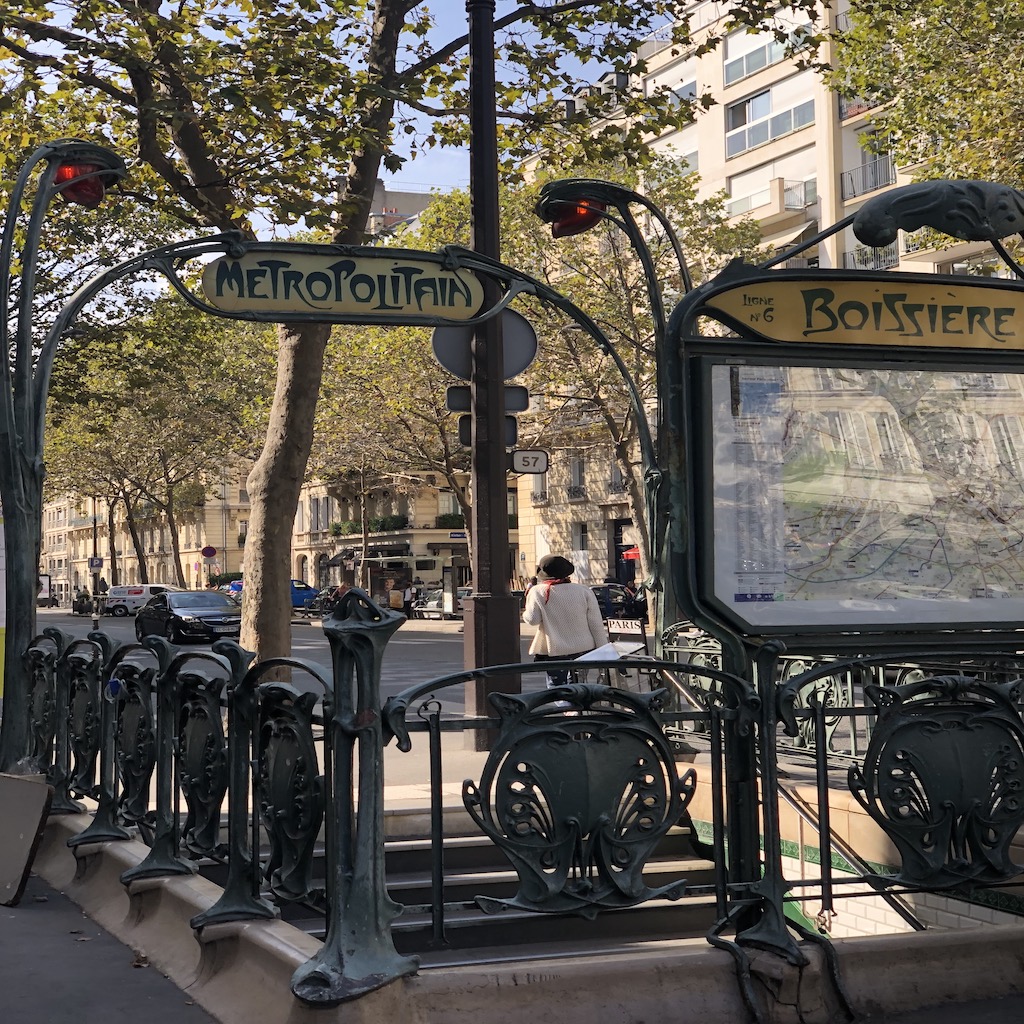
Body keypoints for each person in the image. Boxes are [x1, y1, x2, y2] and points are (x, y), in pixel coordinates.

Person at [522, 554, 608, 688]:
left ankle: (568, 708)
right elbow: (596, 624)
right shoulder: (584, 591)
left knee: (557, 690)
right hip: (584, 649)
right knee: (578, 686)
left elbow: (533, 620)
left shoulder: (537, 591)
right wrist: (603, 651)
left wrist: (526, 603)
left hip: (556, 651)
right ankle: (575, 707)